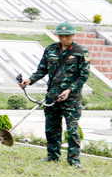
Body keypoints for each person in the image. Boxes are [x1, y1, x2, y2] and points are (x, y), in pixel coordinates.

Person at [19, 21, 90, 168]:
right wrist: (29, 80)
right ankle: (52, 156)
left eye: (67, 36)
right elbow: (42, 70)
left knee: (72, 129)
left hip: (71, 99)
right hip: (52, 97)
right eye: (61, 36)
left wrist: (69, 90)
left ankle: (74, 160)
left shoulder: (81, 52)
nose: (64, 39)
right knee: (52, 127)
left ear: (73, 35)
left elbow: (83, 76)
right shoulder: (50, 49)